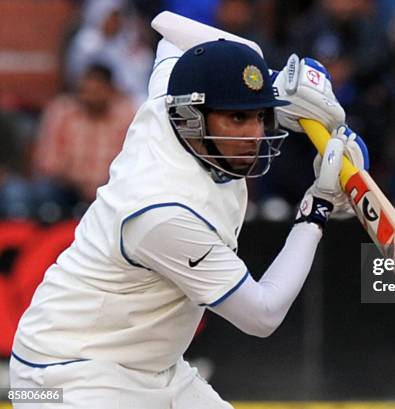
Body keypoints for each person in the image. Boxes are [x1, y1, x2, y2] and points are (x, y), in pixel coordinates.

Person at [9, 32, 368, 408]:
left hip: (153, 370)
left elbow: (171, 33)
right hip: (62, 377)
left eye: (261, 115)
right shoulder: (163, 214)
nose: (256, 135)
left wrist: (277, 79)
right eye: (237, 117)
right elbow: (262, 314)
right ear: (192, 118)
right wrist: (317, 209)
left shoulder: (169, 101)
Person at [33, 64, 136, 214]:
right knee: (43, 193)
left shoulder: (125, 116)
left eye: (96, 90)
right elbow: (48, 163)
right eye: (85, 90)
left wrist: (99, 185)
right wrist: (78, 182)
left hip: (110, 188)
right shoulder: (62, 113)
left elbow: (131, 162)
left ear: (110, 90)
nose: (90, 96)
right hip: (68, 188)